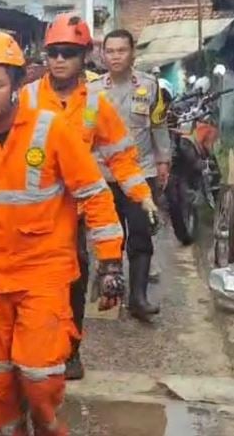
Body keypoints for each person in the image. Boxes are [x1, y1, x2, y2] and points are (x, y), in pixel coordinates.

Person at [0, 31, 125, 436]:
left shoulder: (51, 130)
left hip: (42, 277)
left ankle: (49, 427)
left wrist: (110, 261)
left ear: (17, 85)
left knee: (40, 376)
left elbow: (94, 194)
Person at [24, 14, 156, 380]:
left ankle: (70, 351)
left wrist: (143, 195)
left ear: (84, 56)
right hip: (30, 208)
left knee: (75, 279)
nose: (59, 60)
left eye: (68, 52)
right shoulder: (28, 98)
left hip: (74, 208)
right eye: (53, 53)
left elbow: (122, 158)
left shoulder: (97, 103)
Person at [97, 29, 171, 320]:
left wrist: (163, 160)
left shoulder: (150, 87)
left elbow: (159, 126)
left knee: (141, 235)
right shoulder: (92, 90)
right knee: (109, 236)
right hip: (103, 175)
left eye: (121, 50)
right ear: (103, 55)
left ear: (132, 53)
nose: (115, 56)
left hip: (141, 173)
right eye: (110, 51)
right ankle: (108, 288)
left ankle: (138, 298)